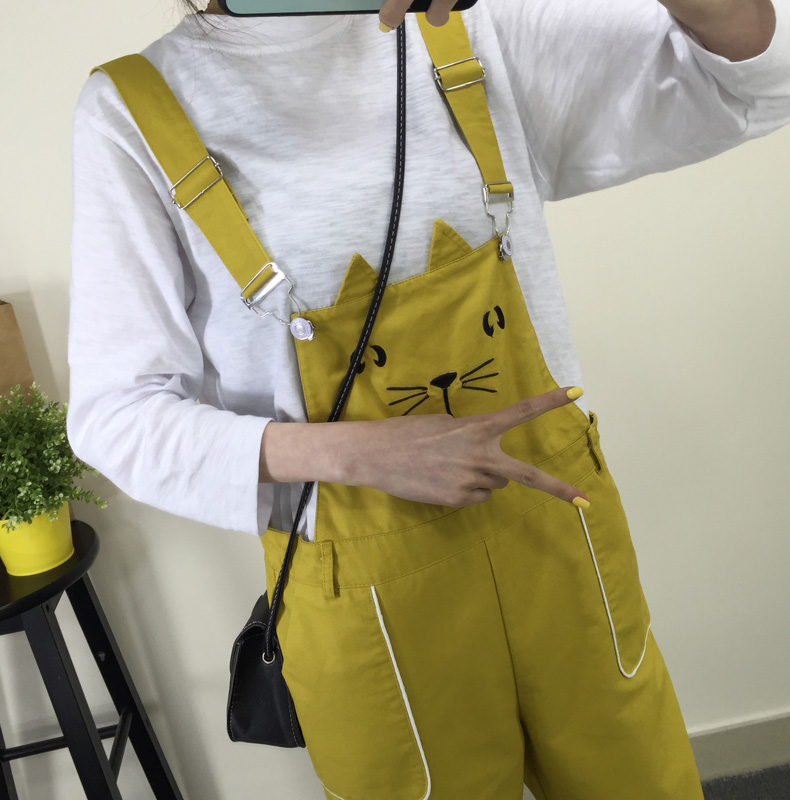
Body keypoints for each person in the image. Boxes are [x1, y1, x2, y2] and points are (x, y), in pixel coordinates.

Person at [67, 0, 790, 798]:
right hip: (367, 594)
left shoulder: (473, 29)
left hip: (556, 538)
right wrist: (359, 453)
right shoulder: (137, 110)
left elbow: (757, 76)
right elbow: (114, 416)